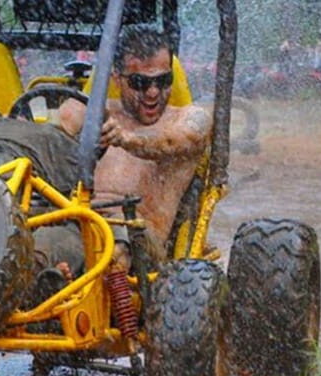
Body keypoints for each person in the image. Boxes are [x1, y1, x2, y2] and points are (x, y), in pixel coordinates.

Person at [35, 24, 212, 276]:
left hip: (136, 236)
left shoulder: (190, 120)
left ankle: (69, 284)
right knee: (30, 249)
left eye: (163, 81)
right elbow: (50, 133)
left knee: (111, 249)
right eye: (140, 82)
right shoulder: (91, 112)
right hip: (75, 223)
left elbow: (171, 143)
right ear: (117, 79)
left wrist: (126, 139)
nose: (153, 93)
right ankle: (45, 282)